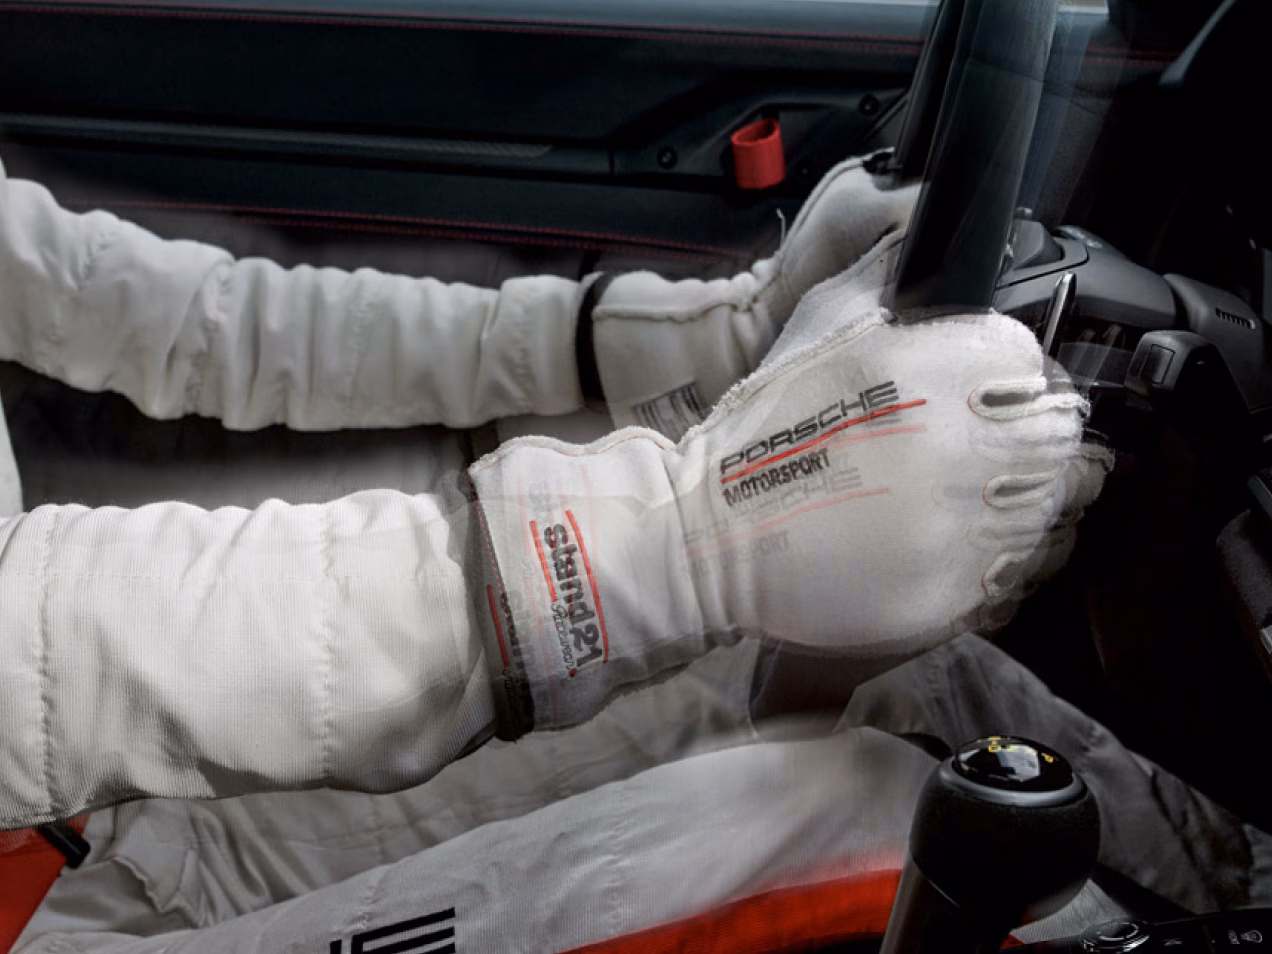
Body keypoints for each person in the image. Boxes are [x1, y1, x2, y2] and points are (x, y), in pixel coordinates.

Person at [0, 150, 1105, 839]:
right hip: (53, 888)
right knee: (861, 805)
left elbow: (179, 316)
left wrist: (715, 331)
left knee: (920, 696)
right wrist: (667, 554)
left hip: (81, 797)